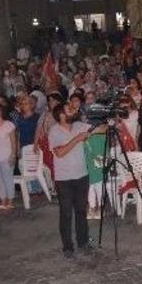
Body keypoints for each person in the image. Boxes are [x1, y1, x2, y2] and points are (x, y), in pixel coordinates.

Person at [48, 103, 93, 257]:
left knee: (81, 211)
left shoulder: (79, 125)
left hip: (82, 175)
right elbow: (59, 153)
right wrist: (77, 139)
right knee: (66, 213)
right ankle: (67, 247)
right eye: (69, 109)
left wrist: (107, 123)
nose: (73, 111)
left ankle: (83, 242)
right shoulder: (54, 131)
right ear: (61, 115)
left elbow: (96, 130)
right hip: (64, 179)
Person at [0, 104, 17, 211]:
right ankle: (3, 202)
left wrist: (13, 155)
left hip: (6, 156)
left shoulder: (8, 124)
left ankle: (10, 201)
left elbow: (13, 142)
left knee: (8, 179)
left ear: (2, 111)